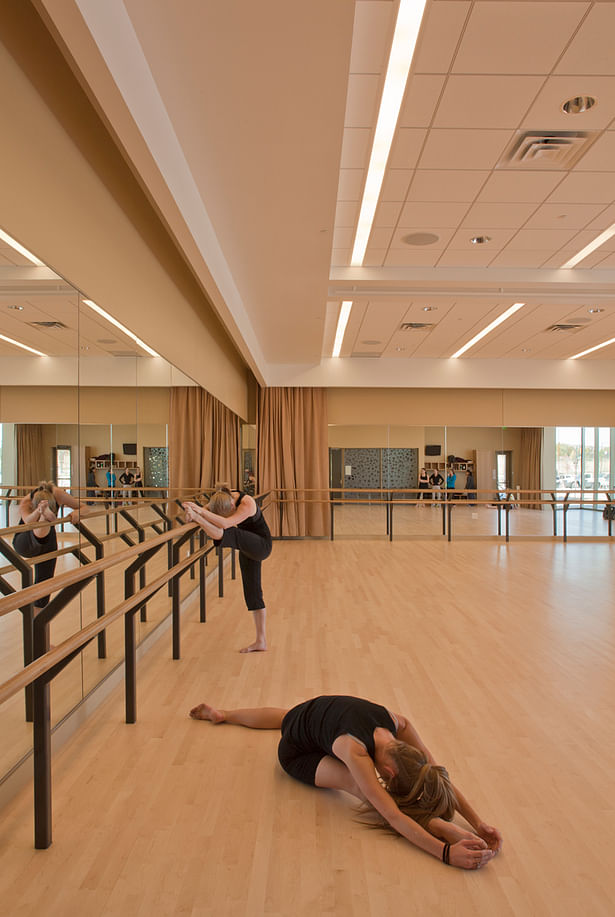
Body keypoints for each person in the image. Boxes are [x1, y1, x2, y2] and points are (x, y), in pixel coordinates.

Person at [189, 694, 502, 870]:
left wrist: (478, 822)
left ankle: (223, 714)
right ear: (390, 774)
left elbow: (437, 771)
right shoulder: (354, 750)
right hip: (298, 754)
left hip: (308, 712)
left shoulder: (398, 723)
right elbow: (392, 814)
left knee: (286, 717)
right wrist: (445, 853)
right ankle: (436, 825)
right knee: (359, 787)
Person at [183, 486, 272, 652]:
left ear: (233, 503)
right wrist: (191, 510)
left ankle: (199, 520)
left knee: (226, 533)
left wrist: (198, 514)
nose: (231, 511)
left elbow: (224, 524)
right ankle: (261, 641)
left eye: (231, 509)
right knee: (252, 593)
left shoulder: (246, 503)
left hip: (261, 545)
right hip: (247, 545)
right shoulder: (220, 497)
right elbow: (205, 509)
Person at [13, 481, 89, 608]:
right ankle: (44, 517)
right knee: (41, 525)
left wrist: (76, 513)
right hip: (25, 540)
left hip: (48, 542)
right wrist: (39, 512)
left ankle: (40, 625)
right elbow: (28, 522)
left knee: (44, 590)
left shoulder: (58, 494)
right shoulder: (26, 502)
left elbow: (85, 507)